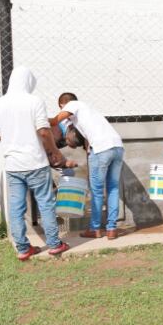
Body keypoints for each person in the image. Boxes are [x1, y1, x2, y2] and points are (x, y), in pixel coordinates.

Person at [0, 66, 75, 260]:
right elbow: (44, 131)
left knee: (16, 207)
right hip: (35, 162)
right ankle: (54, 244)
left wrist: (13, 137)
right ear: (29, 82)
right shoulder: (34, 101)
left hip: (12, 165)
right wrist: (56, 153)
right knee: (45, 203)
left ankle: (23, 248)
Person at [50, 93, 125, 240]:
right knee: (113, 188)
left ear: (62, 105)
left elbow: (54, 121)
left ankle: (95, 229)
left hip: (102, 149)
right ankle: (111, 229)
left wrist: (34, 120)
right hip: (118, 147)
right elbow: (87, 139)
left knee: (96, 191)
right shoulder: (89, 111)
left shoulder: (72, 105)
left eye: (61, 109)